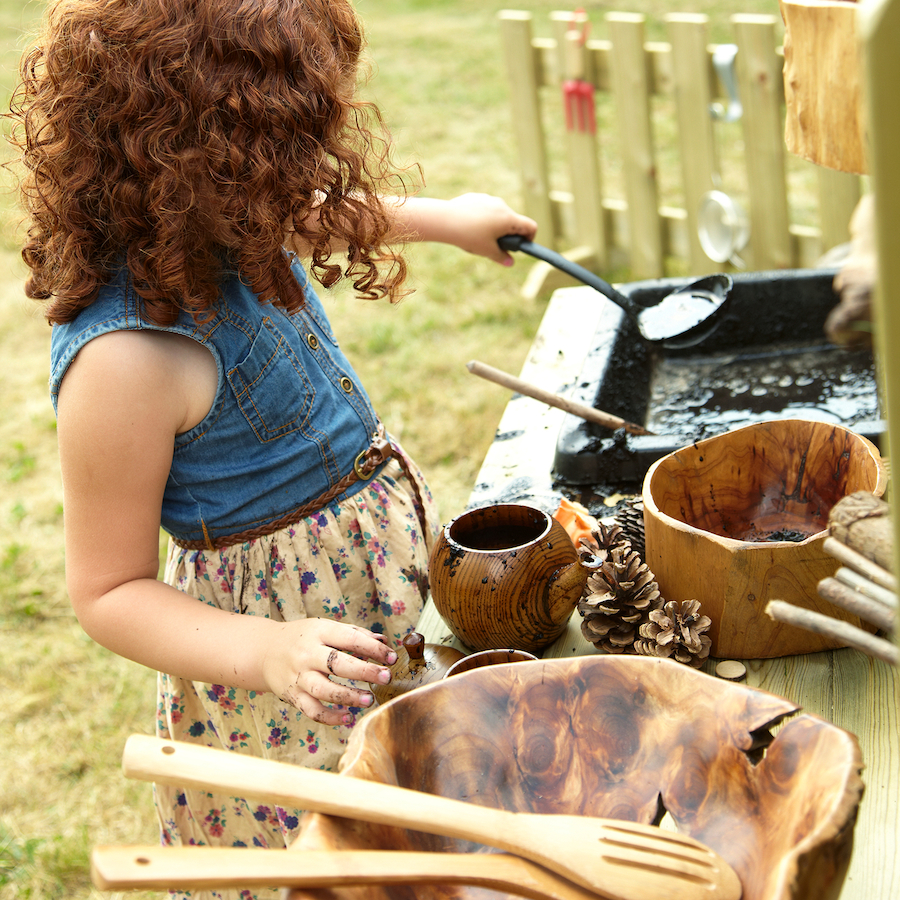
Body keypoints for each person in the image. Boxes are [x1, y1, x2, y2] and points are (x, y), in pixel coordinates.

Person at [9, 0, 537, 888]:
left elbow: (311, 212)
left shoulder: (225, 213)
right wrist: (268, 653)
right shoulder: (127, 361)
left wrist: (446, 217)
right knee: (335, 858)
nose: (298, 186)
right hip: (284, 680)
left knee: (425, 824)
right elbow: (107, 591)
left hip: (373, 598)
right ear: (180, 162)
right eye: (276, 161)